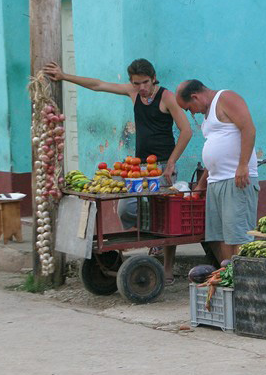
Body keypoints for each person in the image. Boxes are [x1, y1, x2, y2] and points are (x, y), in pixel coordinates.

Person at [44, 59, 193, 283]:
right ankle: (151, 242)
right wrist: (64, 76)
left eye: (145, 82)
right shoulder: (133, 93)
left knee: (166, 217)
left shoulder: (167, 97)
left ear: (153, 78)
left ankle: (168, 269)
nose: (141, 87)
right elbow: (98, 85)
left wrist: (172, 162)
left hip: (162, 167)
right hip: (138, 168)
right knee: (126, 208)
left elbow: (186, 130)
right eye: (136, 83)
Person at [175, 80, 258, 263]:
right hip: (216, 182)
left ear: (195, 97)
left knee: (238, 235)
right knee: (219, 237)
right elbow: (214, 156)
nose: (192, 113)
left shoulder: (225, 98)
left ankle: (243, 276)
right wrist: (201, 184)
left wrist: (243, 165)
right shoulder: (207, 114)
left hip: (236, 180)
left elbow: (249, 129)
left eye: (189, 108)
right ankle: (228, 274)